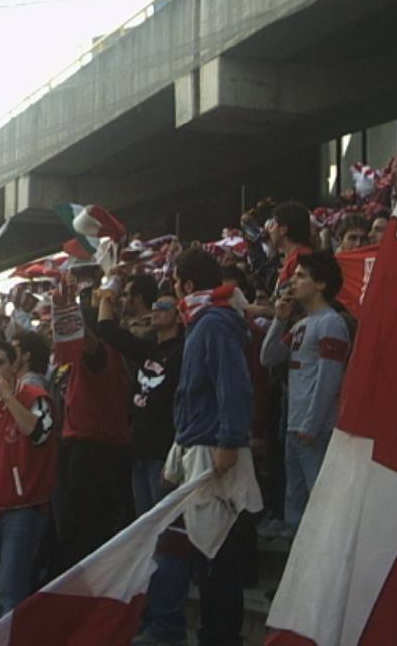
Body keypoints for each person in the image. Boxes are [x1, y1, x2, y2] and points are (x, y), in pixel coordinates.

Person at [169, 248, 256, 646]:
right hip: (200, 446)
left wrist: (229, 442)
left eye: (174, 283)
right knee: (207, 557)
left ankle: (220, 638)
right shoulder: (204, 323)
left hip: (214, 452)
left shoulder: (213, 324)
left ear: (186, 285)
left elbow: (232, 385)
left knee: (216, 555)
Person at [94, 282, 186, 646]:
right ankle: (149, 617)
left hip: (166, 455)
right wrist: (107, 295)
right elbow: (106, 331)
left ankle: (168, 626)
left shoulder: (184, 350)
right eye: (156, 305)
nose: (157, 310)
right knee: (146, 540)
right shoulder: (149, 346)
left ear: (179, 314)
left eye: (165, 305)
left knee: (167, 542)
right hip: (140, 453)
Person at [260, 251, 350, 534]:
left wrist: (312, 423)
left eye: (301, 276)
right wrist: (279, 319)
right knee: (295, 499)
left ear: (320, 284)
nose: (293, 281)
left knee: (319, 497)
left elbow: (329, 378)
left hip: (315, 428)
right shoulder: (301, 324)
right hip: (294, 425)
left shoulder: (331, 322)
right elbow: (268, 357)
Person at [0, 340, 57, 619]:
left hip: (24, 510)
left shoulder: (35, 396)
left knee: (11, 590)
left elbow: (38, 434)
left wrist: (9, 398)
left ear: (13, 365)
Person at [56, 269, 132, 572]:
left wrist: (69, 308)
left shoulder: (100, 356)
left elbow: (88, 342)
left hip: (94, 455)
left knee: (84, 537)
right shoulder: (79, 363)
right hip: (84, 453)